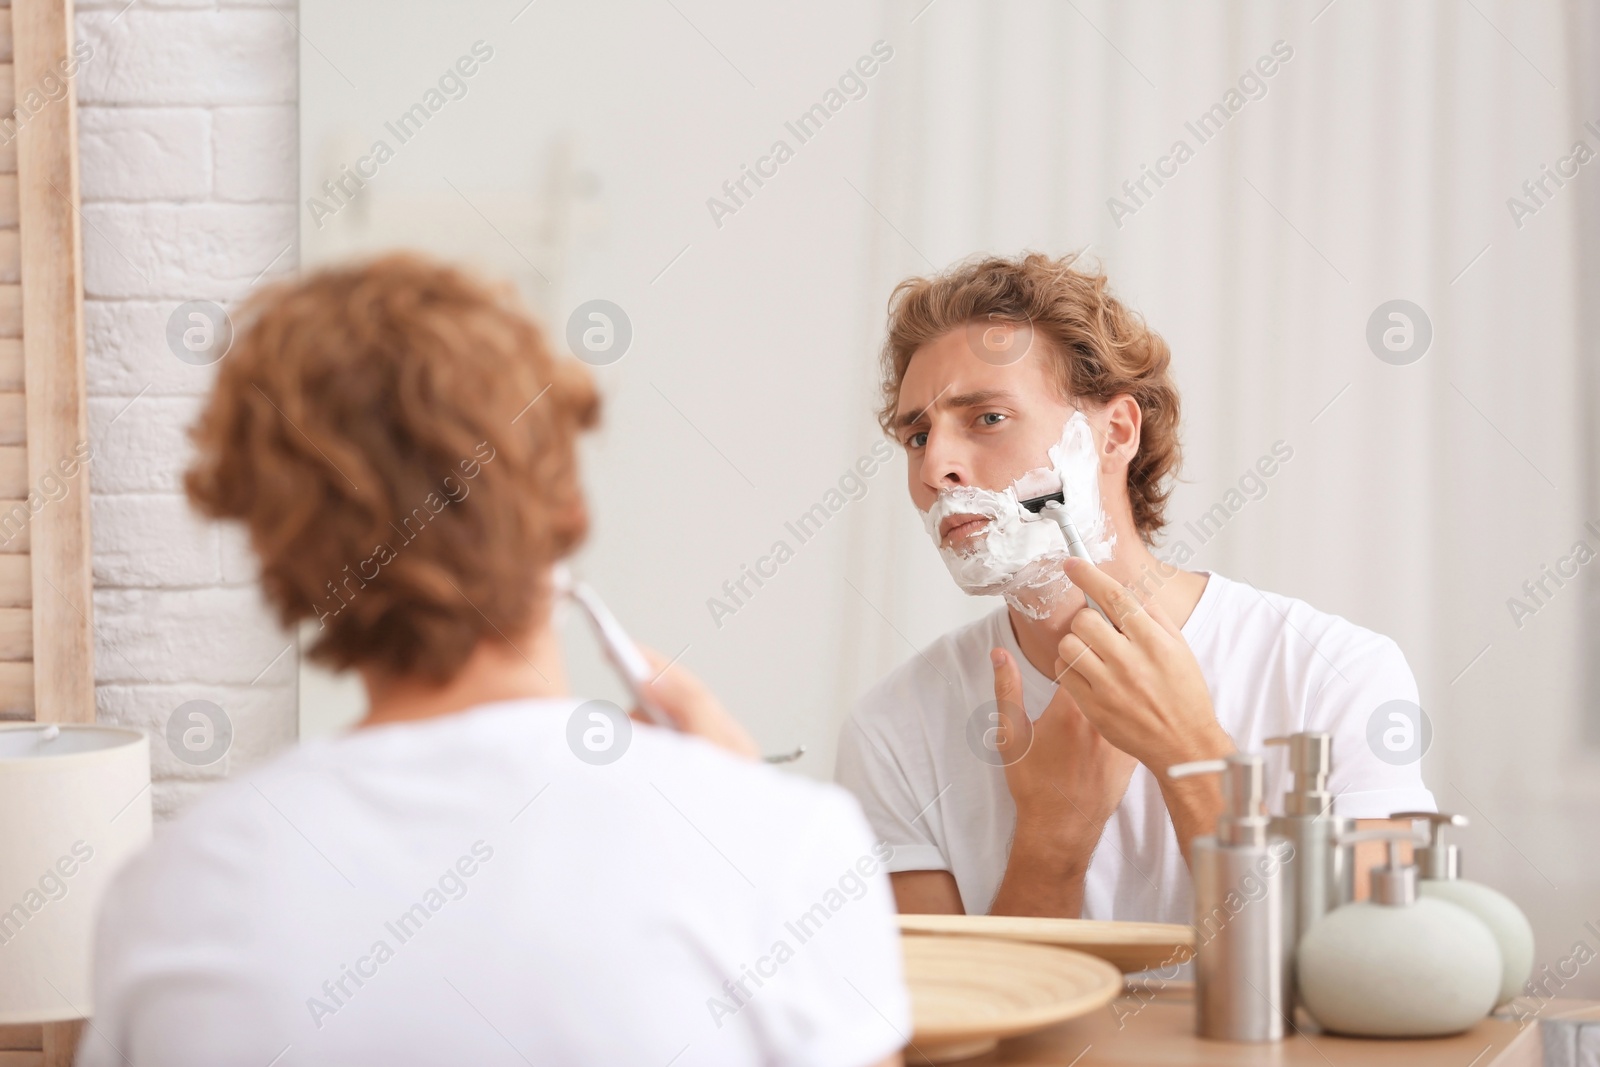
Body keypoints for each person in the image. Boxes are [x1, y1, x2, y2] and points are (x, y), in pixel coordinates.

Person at [79, 255, 908, 1067]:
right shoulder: (785, 845)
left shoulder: (171, 896)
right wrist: (741, 814)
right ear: (566, 506)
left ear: (277, 553)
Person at [835, 253, 1436, 921]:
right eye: (917, 435)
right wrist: (1051, 842)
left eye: (987, 418)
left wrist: (1191, 751)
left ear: (1114, 433)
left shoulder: (1332, 675)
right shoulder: (892, 729)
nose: (935, 466)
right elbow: (947, 1019)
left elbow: (1368, 985)